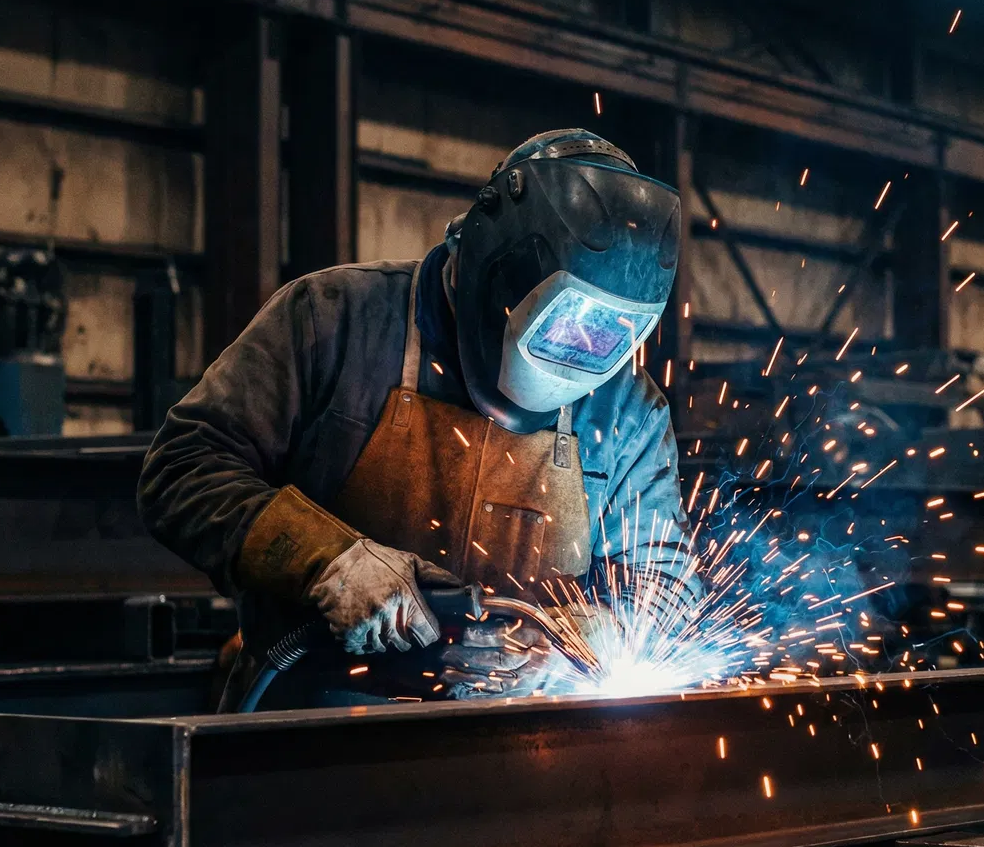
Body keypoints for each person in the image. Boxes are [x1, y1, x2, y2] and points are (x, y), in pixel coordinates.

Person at [139, 129, 697, 709]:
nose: (575, 348)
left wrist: (598, 637)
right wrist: (329, 560)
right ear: (491, 264)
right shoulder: (334, 322)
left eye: (601, 337)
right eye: (558, 327)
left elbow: (667, 585)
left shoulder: (626, 408)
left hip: (522, 753)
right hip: (308, 730)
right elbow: (183, 469)